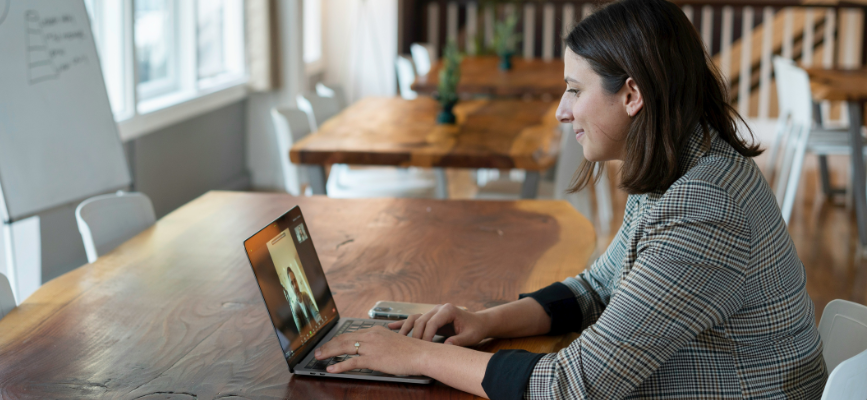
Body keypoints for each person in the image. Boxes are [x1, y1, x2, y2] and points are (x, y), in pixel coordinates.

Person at [313, 0, 828, 398]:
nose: (562, 111)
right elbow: (596, 288)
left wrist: (414, 357)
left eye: (574, 90)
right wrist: (486, 321)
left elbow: (571, 387)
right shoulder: (684, 166)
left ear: (631, 95)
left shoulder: (707, 207)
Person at [287, 266, 319, 331]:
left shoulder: (305, 295)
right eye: (292, 283)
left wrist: (321, 322)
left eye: (295, 281)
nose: (295, 286)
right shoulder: (295, 308)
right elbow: (300, 332)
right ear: (290, 286)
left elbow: (316, 314)